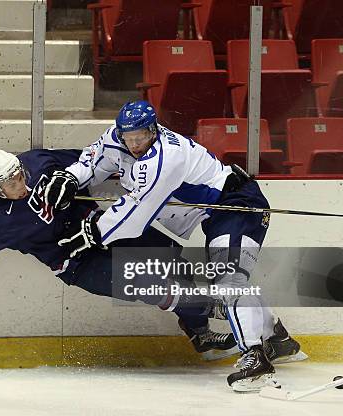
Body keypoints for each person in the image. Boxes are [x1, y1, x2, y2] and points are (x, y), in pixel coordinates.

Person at [43, 101, 306, 392]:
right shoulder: (116, 138)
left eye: (140, 137)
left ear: (153, 130)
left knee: (229, 279)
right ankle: (279, 340)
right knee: (231, 278)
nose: (134, 144)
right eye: (128, 138)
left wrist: (93, 234)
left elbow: (134, 215)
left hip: (237, 206)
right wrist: (70, 176)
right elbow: (92, 162)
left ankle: (255, 358)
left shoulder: (166, 158)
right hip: (215, 213)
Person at [0, 148, 238, 360]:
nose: (21, 184)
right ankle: (216, 311)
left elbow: (88, 161)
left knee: (175, 263)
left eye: (20, 175)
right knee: (154, 285)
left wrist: (134, 173)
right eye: (12, 183)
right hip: (79, 263)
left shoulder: (35, 163)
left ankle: (201, 334)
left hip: (103, 230)